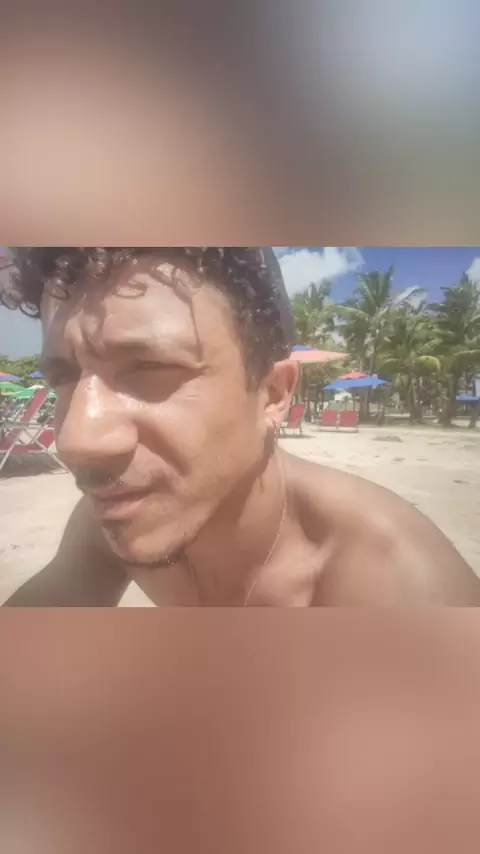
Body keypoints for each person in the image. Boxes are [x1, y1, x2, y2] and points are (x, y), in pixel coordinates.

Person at [1, 247, 479, 606]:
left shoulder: (399, 588)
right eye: (63, 377)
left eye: (149, 367)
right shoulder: (118, 515)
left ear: (272, 395)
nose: (76, 441)